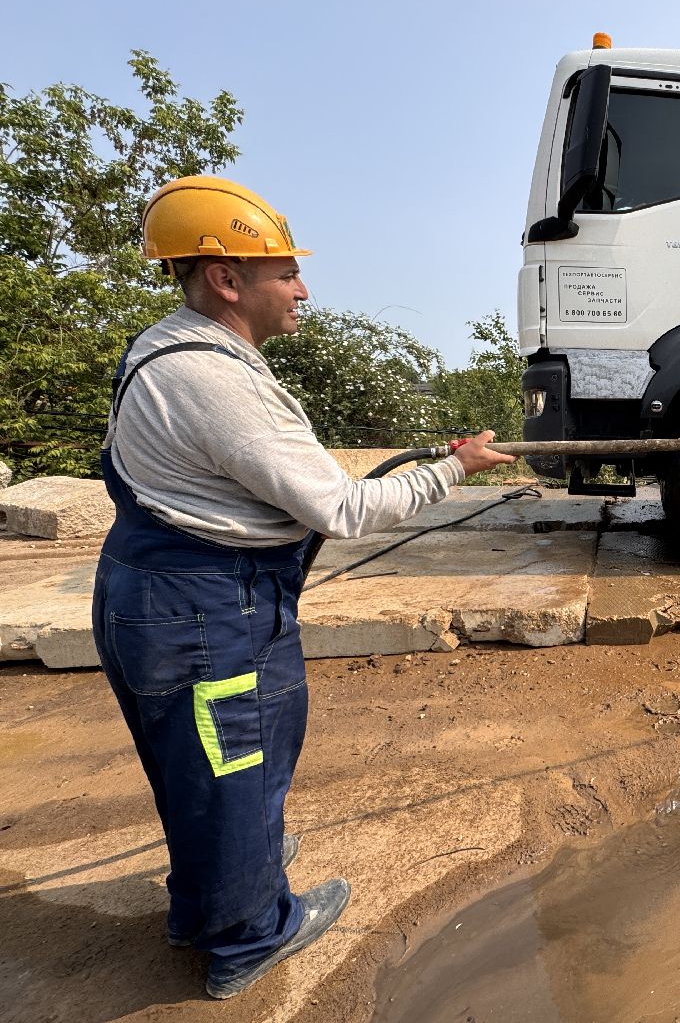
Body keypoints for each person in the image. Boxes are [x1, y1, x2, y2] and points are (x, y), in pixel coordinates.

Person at [91, 175, 514, 1000]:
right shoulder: (220, 382)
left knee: (198, 769)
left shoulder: (162, 348)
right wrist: (453, 470)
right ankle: (249, 934)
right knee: (237, 762)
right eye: (284, 271)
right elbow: (344, 506)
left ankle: (207, 900)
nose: (301, 288)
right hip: (209, 611)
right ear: (226, 279)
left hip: (152, 593)